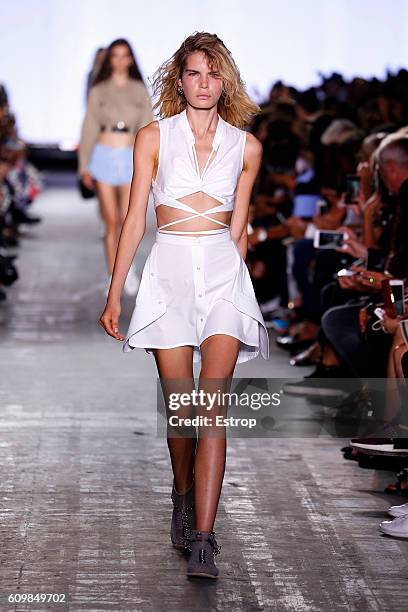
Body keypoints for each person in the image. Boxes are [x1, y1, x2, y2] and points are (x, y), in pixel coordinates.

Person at [98, 31, 269, 579]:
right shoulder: (153, 137)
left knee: (211, 404)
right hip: (168, 272)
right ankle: (181, 490)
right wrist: (115, 293)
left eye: (214, 74)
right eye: (195, 72)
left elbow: (239, 229)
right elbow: (133, 219)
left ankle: (204, 536)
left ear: (226, 81)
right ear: (180, 77)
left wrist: (241, 288)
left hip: (221, 272)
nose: (204, 83)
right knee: (180, 407)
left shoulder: (247, 146)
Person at [78, 38, 153, 295]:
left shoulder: (139, 90)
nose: (120, 60)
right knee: (111, 222)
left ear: (131, 60)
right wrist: (84, 165)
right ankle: (114, 275)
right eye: (115, 55)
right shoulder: (99, 90)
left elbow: (147, 128)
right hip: (103, 154)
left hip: (130, 156)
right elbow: (88, 126)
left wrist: (151, 163)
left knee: (126, 219)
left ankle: (126, 270)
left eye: (125, 55)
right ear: (109, 59)